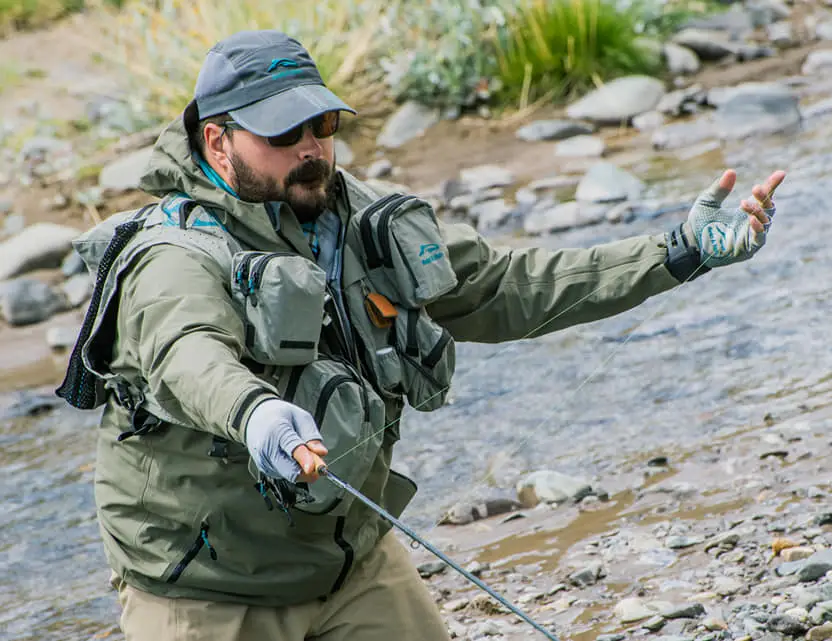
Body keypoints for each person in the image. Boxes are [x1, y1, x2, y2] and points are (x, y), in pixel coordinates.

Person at [56, 29, 785, 641]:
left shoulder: (362, 220)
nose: (311, 147)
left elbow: (507, 286)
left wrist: (674, 253)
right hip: (202, 589)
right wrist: (256, 413)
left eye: (324, 125)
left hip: (351, 563)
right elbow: (187, 355)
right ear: (217, 141)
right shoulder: (170, 256)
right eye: (283, 133)